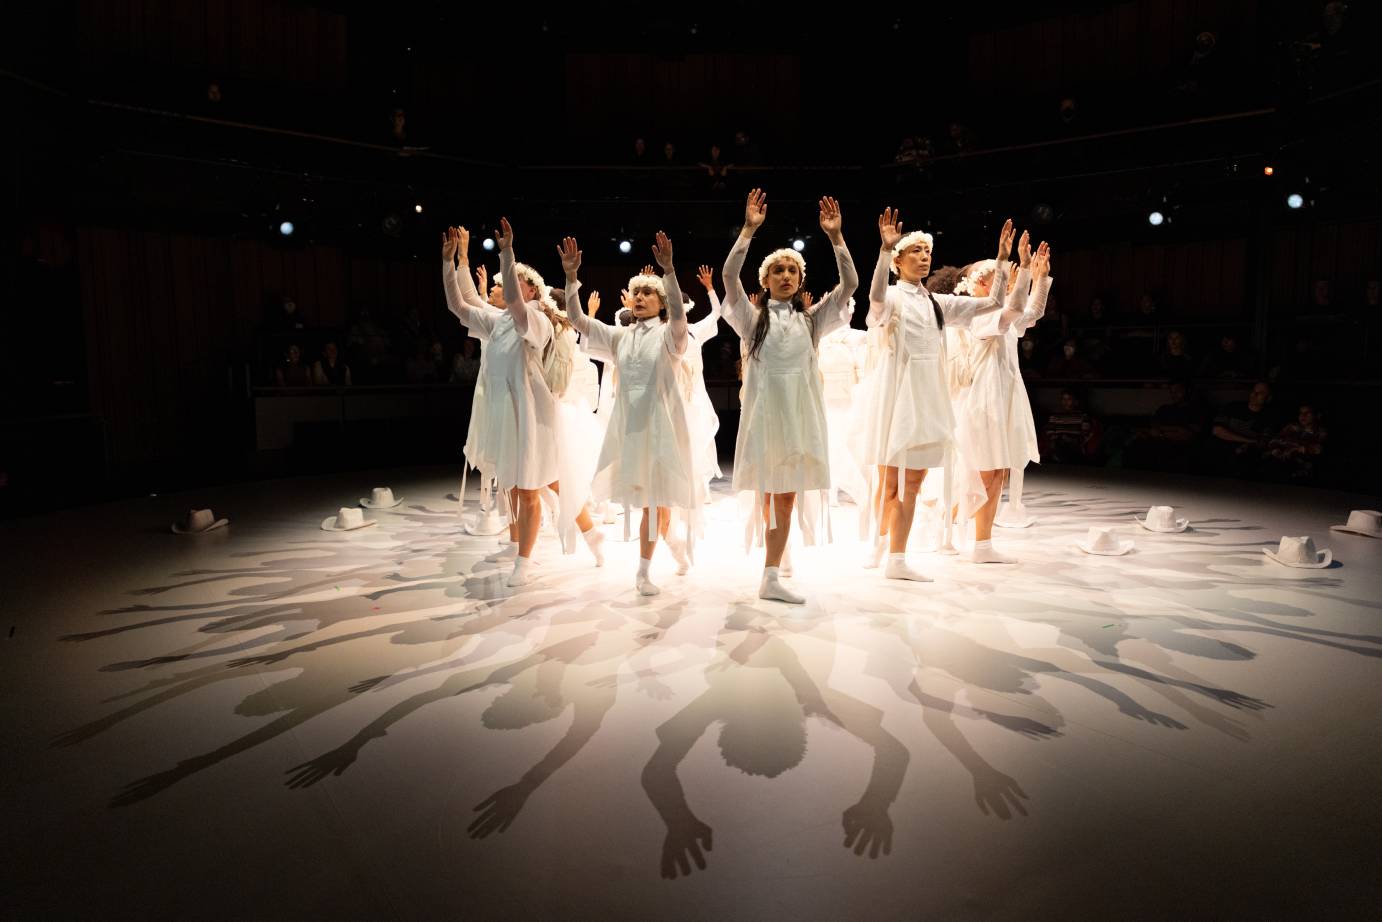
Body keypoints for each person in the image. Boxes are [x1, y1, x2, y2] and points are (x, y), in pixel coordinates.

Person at [719, 189, 859, 603]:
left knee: (786, 493)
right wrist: (748, 230)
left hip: (799, 417)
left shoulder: (812, 321)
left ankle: (773, 568)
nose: (784, 276)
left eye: (791, 272)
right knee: (772, 491)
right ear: (765, 281)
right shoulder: (751, 319)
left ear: (800, 282)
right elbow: (728, 278)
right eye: (777, 270)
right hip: (765, 417)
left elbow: (850, 283)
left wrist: (836, 238)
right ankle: (773, 568)